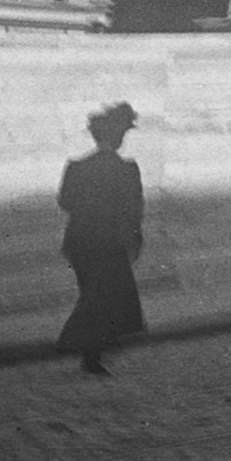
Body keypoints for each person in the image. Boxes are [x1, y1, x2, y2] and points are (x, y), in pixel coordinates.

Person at [56, 101, 147, 378]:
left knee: (96, 295)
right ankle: (77, 344)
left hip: (80, 242)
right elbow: (135, 210)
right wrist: (133, 237)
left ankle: (90, 353)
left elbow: (65, 201)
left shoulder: (77, 167)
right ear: (117, 136)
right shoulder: (126, 170)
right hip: (108, 243)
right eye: (122, 134)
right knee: (109, 298)